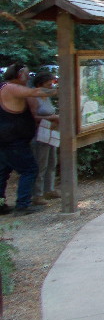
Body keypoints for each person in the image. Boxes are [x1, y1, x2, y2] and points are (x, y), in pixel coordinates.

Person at [1, 63, 58, 215]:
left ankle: (1, 204)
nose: (28, 77)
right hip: (12, 139)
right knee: (30, 169)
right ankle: (23, 205)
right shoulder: (12, 88)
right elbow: (36, 92)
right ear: (19, 75)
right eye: (26, 74)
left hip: (8, 138)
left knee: (3, 172)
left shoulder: (4, 87)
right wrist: (56, 90)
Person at [27, 71, 60, 204]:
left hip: (51, 132)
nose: (52, 86)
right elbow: (33, 117)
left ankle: (49, 189)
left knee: (52, 161)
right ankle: (37, 194)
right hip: (40, 134)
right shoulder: (34, 97)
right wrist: (52, 117)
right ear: (41, 84)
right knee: (41, 164)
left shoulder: (47, 96)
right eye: (49, 83)